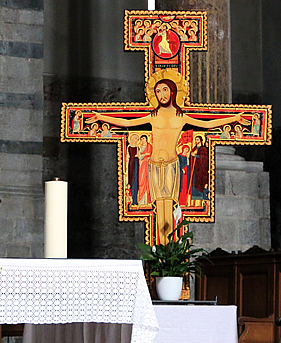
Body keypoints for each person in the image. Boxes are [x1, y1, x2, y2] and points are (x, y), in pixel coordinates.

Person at [90, 75, 243, 243]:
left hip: (171, 164)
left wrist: (234, 118)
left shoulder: (181, 117)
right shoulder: (153, 116)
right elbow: (127, 123)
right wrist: (101, 117)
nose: (161, 95)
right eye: (157, 91)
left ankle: (169, 247)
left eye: (164, 90)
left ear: (172, 92)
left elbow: (206, 125)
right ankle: (161, 248)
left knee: (168, 205)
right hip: (154, 164)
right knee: (158, 205)